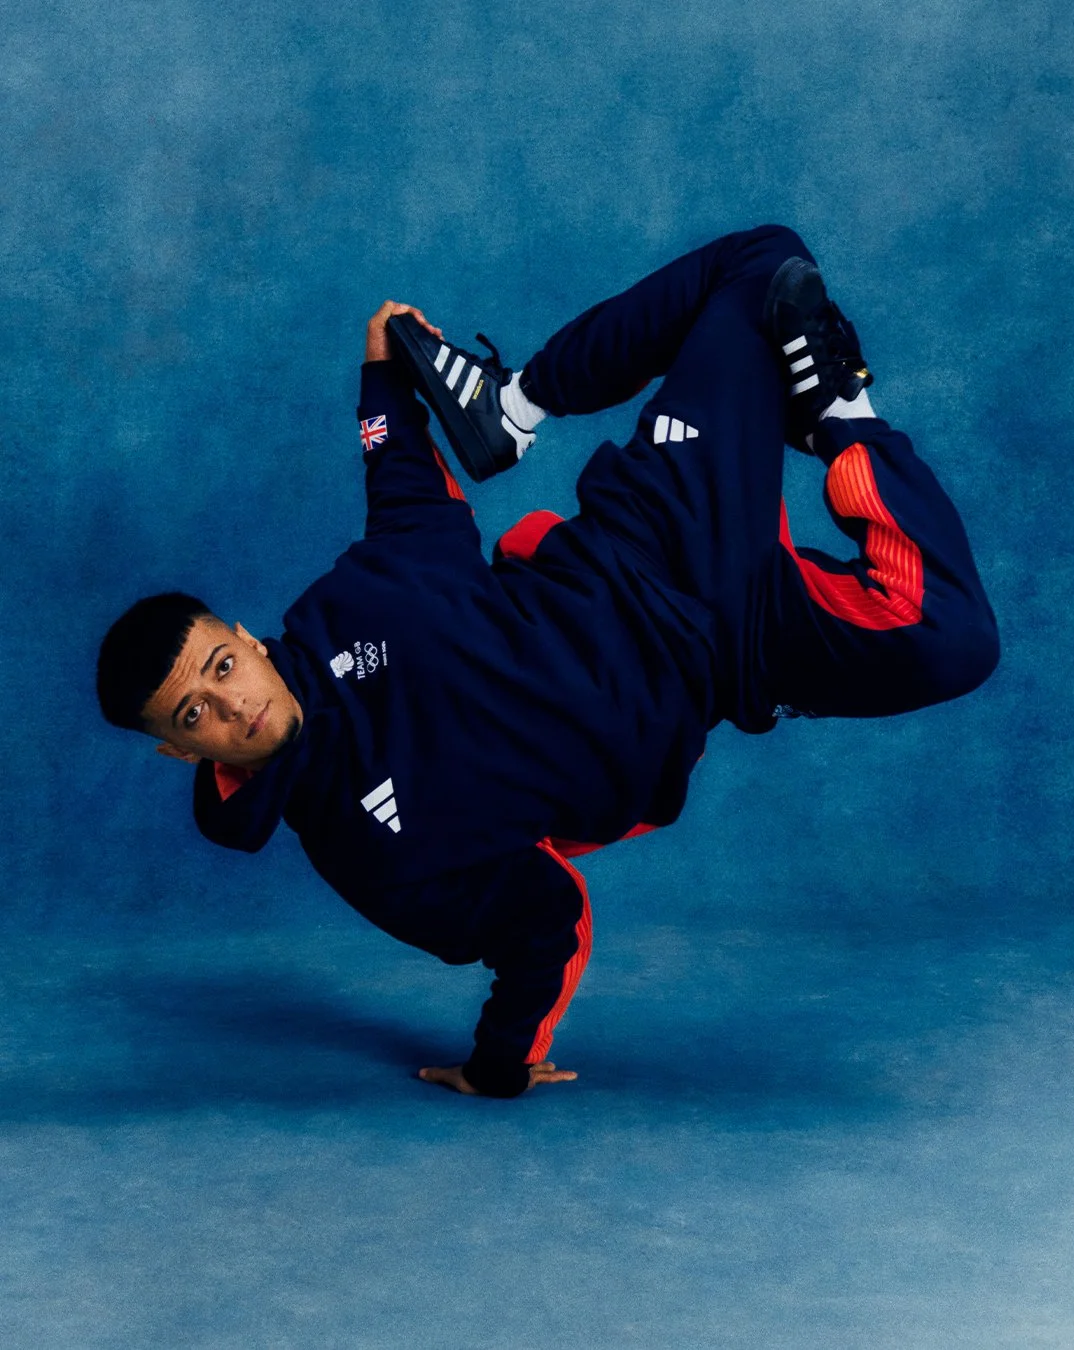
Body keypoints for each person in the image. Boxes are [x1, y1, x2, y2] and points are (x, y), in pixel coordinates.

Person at [96, 224, 999, 1099]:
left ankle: (519, 400)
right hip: (731, 656)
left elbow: (404, 488)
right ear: (183, 752)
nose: (227, 706)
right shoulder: (367, 856)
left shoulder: (350, 602)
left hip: (656, 535)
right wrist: (499, 1067)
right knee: (957, 639)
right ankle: (839, 414)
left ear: (246, 640)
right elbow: (540, 922)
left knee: (760, 263)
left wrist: (381, 374)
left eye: (220, 668)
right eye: (192, 716)